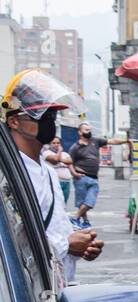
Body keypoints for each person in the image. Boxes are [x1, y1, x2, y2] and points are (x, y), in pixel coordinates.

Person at [3, 69, 103, 285]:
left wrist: (81, 245)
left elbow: (54, 224)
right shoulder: (9, 174)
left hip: (56, 284)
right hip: (29, 289)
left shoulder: (46, 169)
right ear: (14, 122)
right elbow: (12, 237)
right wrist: (66, 245)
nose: (49, 121)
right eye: (41, 115)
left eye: (52, 115)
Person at [67, 121, 127, 228]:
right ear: (80, 132)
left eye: (89, 129)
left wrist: (125, 141)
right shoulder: (75, 147)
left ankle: (75, 218)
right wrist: (74, 173)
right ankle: (84, 221)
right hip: (81, 177)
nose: (88, 131)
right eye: (86, 130)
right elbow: (69, 162)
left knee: (89, 202)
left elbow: (111, 141)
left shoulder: (95, 141)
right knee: (82, 203)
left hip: (93, 178)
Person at [43, 136, 74, 203]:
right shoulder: (46, 153)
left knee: (64, 201)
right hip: (55, 181)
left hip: (66, 182)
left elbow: (70, 161)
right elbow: (55, 160)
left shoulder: (65, 153)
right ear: (49, 144)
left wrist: (59, 159)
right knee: (56, 201)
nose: (56, 145)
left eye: (58, 143)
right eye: (54, 143)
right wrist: (60, 151)